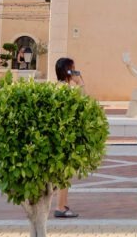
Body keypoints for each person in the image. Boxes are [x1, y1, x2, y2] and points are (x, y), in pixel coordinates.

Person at [54, 57, 85, 218]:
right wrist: (80, 84)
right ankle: (60, 207)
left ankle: (64, 205)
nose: (75, 71)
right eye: (72, 69)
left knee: (64, 174)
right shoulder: (64, 89)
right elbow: (80, 104)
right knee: (63, 174)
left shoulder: (59, 87)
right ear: (67, 71)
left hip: (61, 136)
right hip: (63, 138)